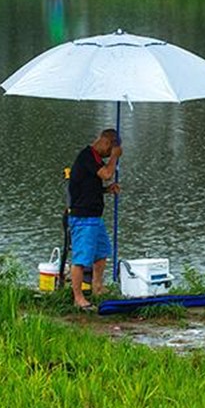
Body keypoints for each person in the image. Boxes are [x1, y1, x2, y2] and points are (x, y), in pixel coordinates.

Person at [67, 128, 122, 309]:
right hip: (83, 217)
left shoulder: (96, 159)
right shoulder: (87, 156)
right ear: (106, 143)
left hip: (95, 217)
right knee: (82, 258)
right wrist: (115, 157)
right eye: (108, 151)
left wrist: (107, 190)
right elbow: (106, 174)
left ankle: (97, 286)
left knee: (102, 252)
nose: (108, 156)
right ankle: (78, 297)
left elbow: (90, 186)